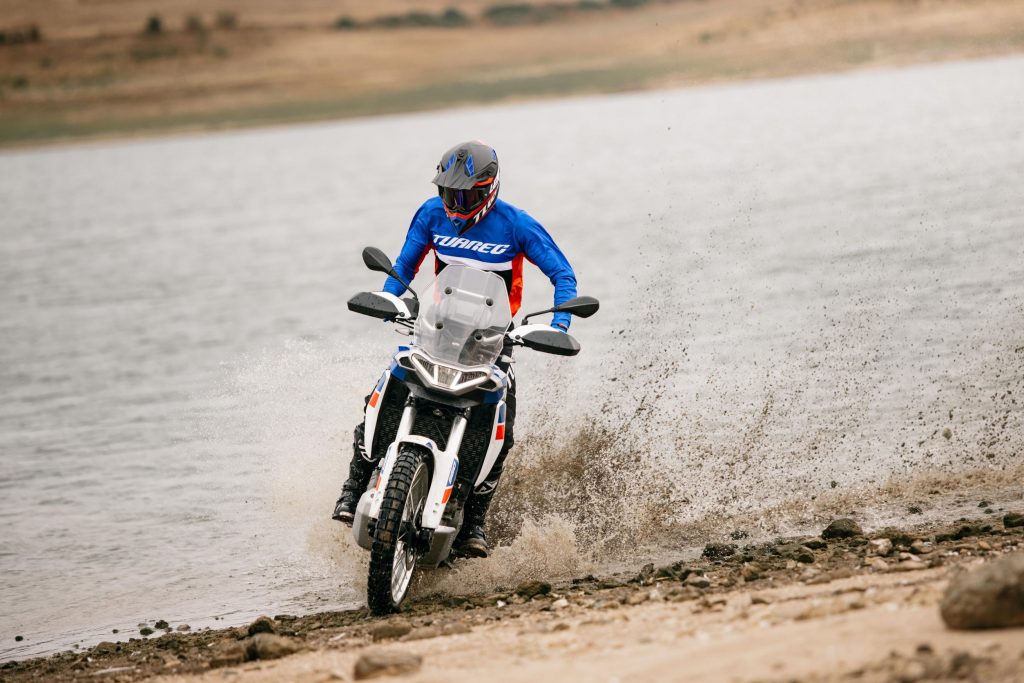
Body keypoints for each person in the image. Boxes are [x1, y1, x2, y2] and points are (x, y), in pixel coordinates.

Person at [332, 140, 577, 558]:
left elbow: (563, 275)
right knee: (386, 389)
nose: (455, 203)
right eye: (449, 193)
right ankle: (355, 482)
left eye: (465, 196)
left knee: (504, 431)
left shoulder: (517, 225)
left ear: (489, 189)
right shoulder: (431, 213)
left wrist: (557, 325)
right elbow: (405, 265)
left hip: (492, 342)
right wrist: (392, 300)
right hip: (435, 331)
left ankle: (474, 522)